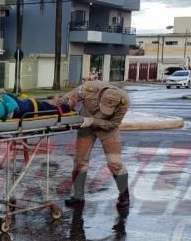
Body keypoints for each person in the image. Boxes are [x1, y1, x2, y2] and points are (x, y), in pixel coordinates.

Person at [52, 79, 131, 209]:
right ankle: (78, 197)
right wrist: (56, 106)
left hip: (108, 128)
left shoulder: (124, 101)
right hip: (86, 125)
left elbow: (113, 124)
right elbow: (69, 97)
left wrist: (93, 121)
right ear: (100, 97)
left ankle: (124, 196)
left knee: (114, 162)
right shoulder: (89, 88)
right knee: (80, 161)